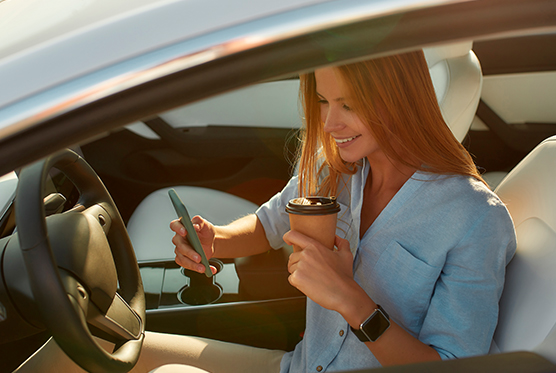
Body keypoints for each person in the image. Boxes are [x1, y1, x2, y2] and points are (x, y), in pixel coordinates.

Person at [16, 50, 515, 373]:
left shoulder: (475, 219)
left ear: (400, 99)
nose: (331, 122)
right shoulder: (334, 167)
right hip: (297, 365)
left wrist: (351, 299)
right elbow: (267, 224)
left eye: (350, 104)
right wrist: (216, 241)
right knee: (79, 351)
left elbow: (453, 367)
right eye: (323, 101)